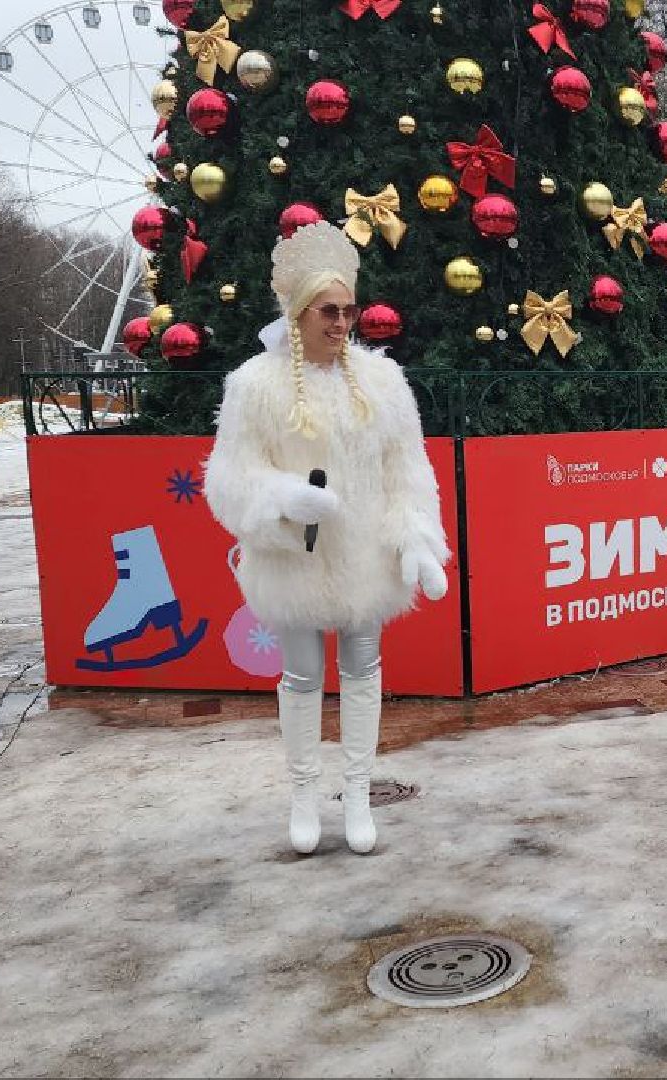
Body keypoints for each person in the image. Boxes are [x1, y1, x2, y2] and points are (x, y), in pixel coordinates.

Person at [203, 223, 451, 856]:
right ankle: (304, 795)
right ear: (299, 313)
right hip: (294, 561)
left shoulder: (383, 382)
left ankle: (360, 794)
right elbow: (230, 477)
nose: (342, 323)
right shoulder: (254, 386)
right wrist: (280, 500)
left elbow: (407, 468)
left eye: (349, 310)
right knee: (302, 674)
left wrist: (419, 539)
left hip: (365, 556)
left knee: (363, 669)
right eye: (329, 311)